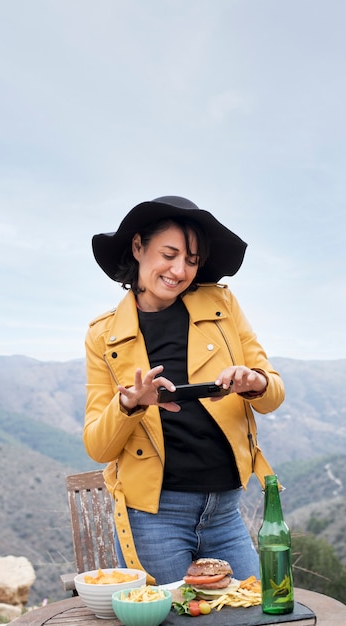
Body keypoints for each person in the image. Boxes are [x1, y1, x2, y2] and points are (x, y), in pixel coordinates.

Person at [83, 195, 285, 585]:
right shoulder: (103, 335)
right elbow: (98, 447)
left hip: (226, 511)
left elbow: (274, 393)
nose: (179, 270)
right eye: (169, 254)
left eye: (192, 261)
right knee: (172, 617)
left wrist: (254, 383)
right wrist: (128, 404)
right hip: (154, 517)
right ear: (138, 247)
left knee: (254, 610)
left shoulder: (222, 304)